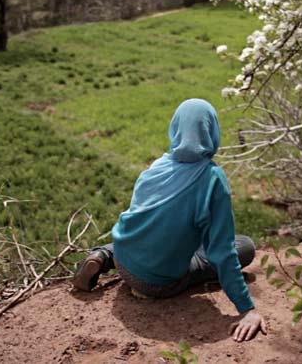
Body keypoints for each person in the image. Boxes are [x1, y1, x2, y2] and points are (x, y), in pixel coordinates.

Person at [73, 98, 268, 342]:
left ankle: (103, 255)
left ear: (176, 128)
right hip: (158, 283)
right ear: (212, 131)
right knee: (244, 248)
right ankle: (142, 273)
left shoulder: (158, 166)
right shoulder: (212, 179)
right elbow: (222, 252)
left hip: (125, 259)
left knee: (155, 229)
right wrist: (246, 309)